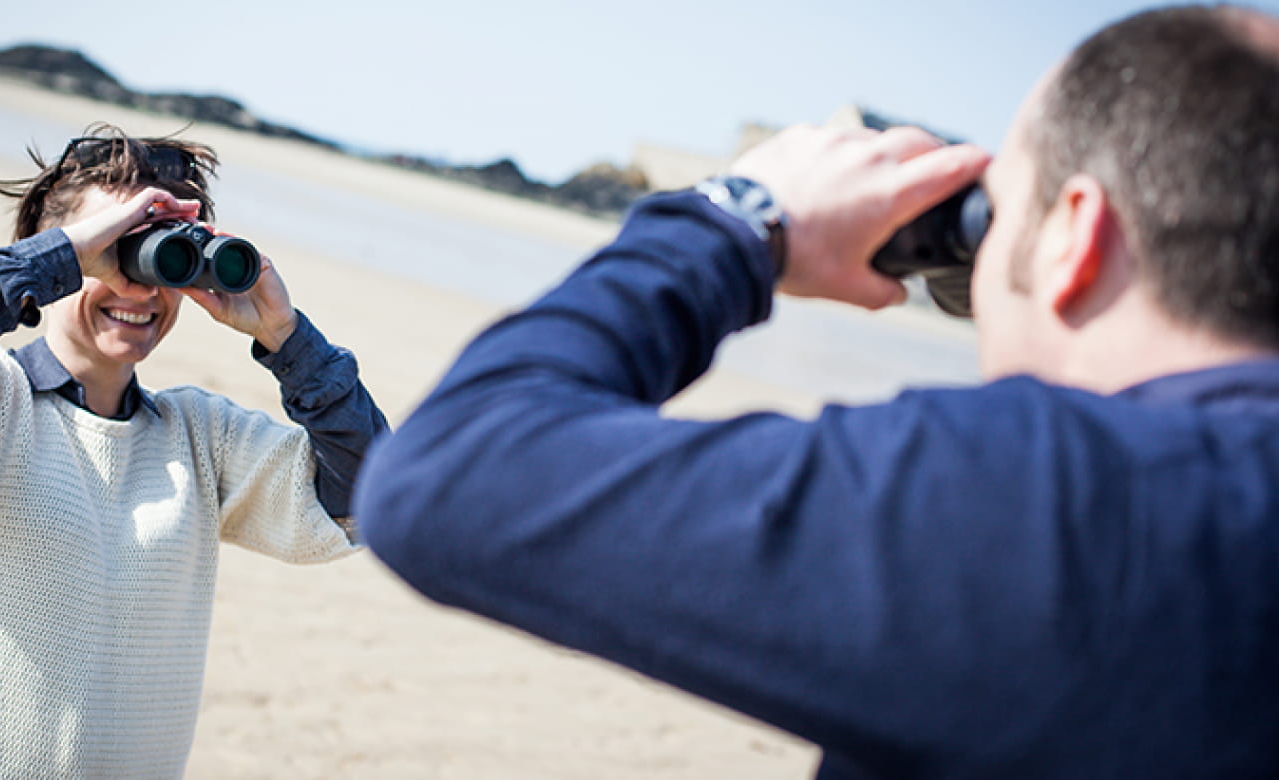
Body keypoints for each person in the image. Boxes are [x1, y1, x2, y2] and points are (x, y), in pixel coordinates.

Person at [353, 5, 1279, 777]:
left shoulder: (1054, 505)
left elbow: (447, 475)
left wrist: (735, 223)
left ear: (1073, 236)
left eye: (998, 218)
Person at [0, 124, 388, 778]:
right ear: (56, 255)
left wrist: (288, 338)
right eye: (112, 253)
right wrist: (59, 259)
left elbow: (372, 492)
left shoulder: (199, 437)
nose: (137, 287)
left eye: (158, 261)